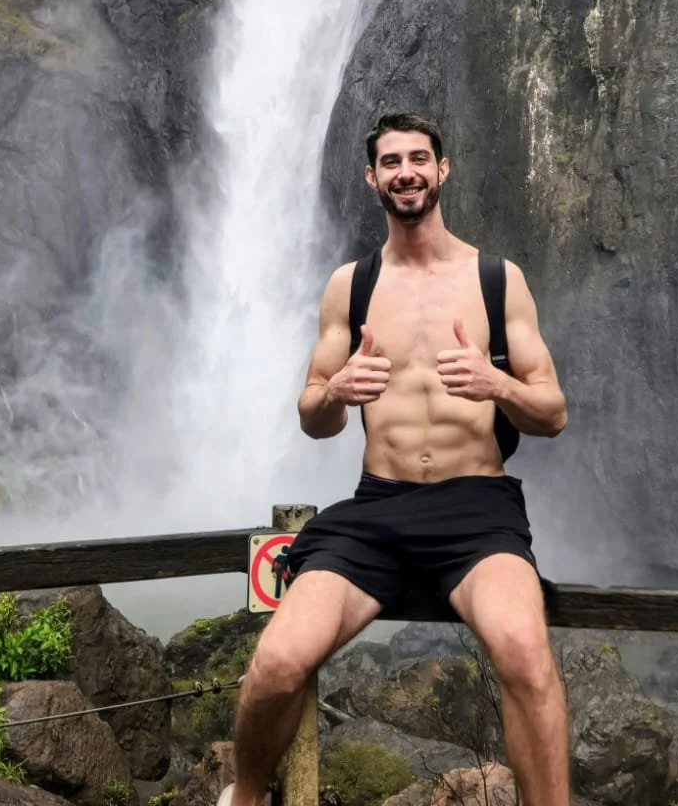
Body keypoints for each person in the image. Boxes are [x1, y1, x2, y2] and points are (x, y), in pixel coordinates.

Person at [227, 112, 571, 806]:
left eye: (418, 158)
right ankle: (241, 795)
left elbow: (552, 414)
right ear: (371, 178)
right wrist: (336, 391)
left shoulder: (497, 280)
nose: (406, 171)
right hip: (377, 507)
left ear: (441, 170)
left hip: (476, 508)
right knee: (277, 660)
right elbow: (314, 419)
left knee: (527, 657)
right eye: (391, 161)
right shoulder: (349, 287)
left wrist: (494, 383)